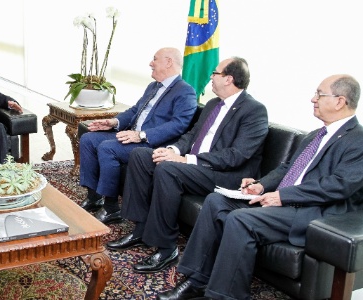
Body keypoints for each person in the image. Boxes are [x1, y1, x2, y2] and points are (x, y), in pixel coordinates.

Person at [158, 74, 363, 300]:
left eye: (319, 94)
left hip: (312, 212)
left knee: (240, 219)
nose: (312, 99)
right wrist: (261, 185)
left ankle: (226, 296)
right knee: (216, 201)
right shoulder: (316, 134)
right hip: (286, 201)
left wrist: (282, 196)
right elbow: (287, 168)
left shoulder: (357, 140)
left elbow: (339, 186)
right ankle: (196, 280)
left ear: (340, 101)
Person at [106, 57, 269, 275]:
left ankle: (166, 248)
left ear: (229, 79)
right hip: (195, 165)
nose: (211, 76)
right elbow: (192, 135)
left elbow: (236, 156)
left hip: (225, 175)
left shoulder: (254, 110)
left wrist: (188, 160)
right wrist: (173, 150)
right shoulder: (212, 104)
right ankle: (141, 228)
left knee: (167, 169)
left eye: (215, 73)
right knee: (141, 155)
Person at [78, 47, 197, 224]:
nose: (151, 63)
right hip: (130, 135)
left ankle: (111, 208)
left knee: (107, 148)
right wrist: (114, 122)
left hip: (151, 143)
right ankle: (94, 196)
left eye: (155, 59)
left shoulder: (185, 91)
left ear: (168, 62)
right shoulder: (153, 86)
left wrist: (141, 135)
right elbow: (136, 110)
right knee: (88, 139)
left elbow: (178, 125)